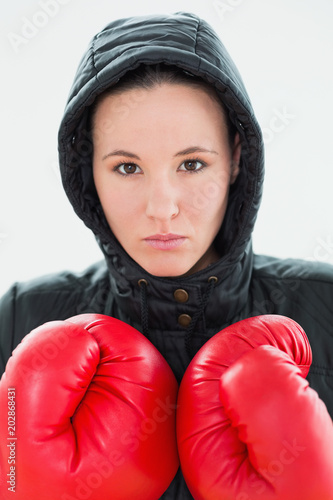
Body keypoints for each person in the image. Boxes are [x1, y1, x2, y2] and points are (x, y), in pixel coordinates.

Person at [1, 11, 333, 500]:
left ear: (238, 158)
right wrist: (13, 482)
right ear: (86, 169)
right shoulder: (21, 318)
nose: (162, 209)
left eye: (192, 164)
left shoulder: (324, 312)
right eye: (128, 167)